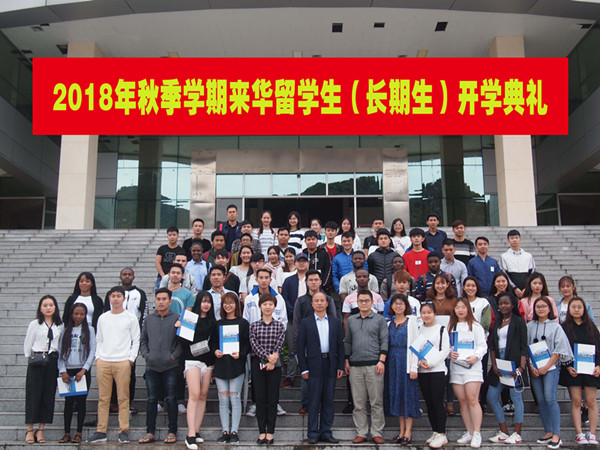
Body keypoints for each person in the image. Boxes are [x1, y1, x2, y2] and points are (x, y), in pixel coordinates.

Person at [87, 286, 140, 444]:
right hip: (104, 361)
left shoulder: (131, 317)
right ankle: (101, 430)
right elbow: (99, 339)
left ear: (124, 298)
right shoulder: (103, 318)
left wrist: (131, 359)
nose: (116, 298)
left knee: (123, 398)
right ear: (109, 298)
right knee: (103, 398)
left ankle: (123, 430)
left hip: (123, 361)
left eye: (118, 296)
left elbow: (136, 339)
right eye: (113, 296)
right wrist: (98, 357)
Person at [297, 291, 345, 444]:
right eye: (316, 301)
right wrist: (303, 368)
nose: (319, 303)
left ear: (327, 303)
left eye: (322, 300)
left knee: (328, 400)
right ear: (312, 304)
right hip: (313, 366)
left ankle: (326, 432)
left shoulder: (335, 322)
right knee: (314, 400)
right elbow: (300, 347)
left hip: (330, 364)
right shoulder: (306, 322)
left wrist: (340, 366)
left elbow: (340, 345)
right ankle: (312, 432)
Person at [527, 296, 573, 449]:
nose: (540, 309)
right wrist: (531, 366)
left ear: (549, 309)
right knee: (540, 400)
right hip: (534, 368)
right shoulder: (529, 326)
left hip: (550, 368)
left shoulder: (556, 327)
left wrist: (546, 367)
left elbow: (559, 350)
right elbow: (526, 348)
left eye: (543, 306)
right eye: (538, 306)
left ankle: (556, 434)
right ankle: (548, 431)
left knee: (550, 398)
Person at [344, 290, 389, 444]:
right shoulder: (351, 320)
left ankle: (377, 432)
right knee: (358, 402)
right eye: (361, 301)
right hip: (355, 366)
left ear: (372, 302)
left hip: (374, 365)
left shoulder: (379, 320)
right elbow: (348, 341)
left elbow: (384, 340)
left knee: (376, 401)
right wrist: (347, 360)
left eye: (366, 301)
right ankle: (361, 432)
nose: (363, 303)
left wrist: (382, 360)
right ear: (357, 303)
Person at [139, 288, 182, 445]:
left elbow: (181, 342)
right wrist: (147, 355)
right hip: (152, 366)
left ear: (170, 301)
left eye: (164, 299)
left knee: (171, 399)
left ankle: (172, 431)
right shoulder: (149, 319)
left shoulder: (177, 318)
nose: (161, 302)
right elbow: (143, 340)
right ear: (155, 301)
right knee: (151, 399)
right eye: (158, 299)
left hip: (170, 366)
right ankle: (150, 431)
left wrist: (173, 356)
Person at [209, 293, 250, 446]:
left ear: (236, 305)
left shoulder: (243, 323)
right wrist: (215, 351)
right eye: (225, 303)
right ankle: (225, 431)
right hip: (221, 365)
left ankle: (234, 431)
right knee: (223, 399)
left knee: (235, 398)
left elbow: (247, 344)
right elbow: (213, 343)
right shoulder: (218, 324)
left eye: (231, 302)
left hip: (236, 365)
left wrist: (241, 354)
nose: (228, 305)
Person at [487, 293, 528, 445]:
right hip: (499, 363)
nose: (503, 306)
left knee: (516, 398)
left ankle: (517, 433)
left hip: (514, 363)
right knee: (491, 397)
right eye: (501, 303)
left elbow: (523, 345)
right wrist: (494, 365)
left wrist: (521, 367)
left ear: (513, 305)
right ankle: (504, 431)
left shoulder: (519, 321)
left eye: (506, 303)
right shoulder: (497, 322)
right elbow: (492, 345)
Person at [560, 297, 600, 445]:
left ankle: (592, 433)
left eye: (579, 307)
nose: (576, 310)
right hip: (573, 369)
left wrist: (598, 366)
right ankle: (579, 433)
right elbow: (562, 349)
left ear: (584, 309)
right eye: (573, 307)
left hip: (590, 369)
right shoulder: (564, 327)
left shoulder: (591, 327)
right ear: (569, 309)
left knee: (591, 401)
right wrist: (567, 366)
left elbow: (598, 347)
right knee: (576, 400)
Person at [178, 290, 216, 448]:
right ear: (198, 302)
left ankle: (197, 430)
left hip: (208, 362)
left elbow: (214, 342)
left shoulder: (213, 321)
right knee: (194, 394)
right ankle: (190, 434)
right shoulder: (190, 318)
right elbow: (182, 340)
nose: (206, 305)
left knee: (203, 395)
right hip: (192, 360)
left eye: (209, 302)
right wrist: (180, 326)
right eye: (203, 301)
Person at [448, 298, 487, 448]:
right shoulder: (451, 326)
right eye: (457, 307)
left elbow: (482, 346)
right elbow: (447, 346)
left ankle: (477, 433)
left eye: (463, 307)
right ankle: (469, 431)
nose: (460, 310)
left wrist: (476, 356)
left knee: (472, 399)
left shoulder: (476, 326)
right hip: (457, 368)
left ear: (468, 309)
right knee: (462, 401)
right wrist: (450, 353)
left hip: (473, 368)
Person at [24, 295, 64, 445]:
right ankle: (29, 429)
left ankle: (40, 429)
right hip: (37, 361)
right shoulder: (35, 324)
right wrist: (30, 358)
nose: (48, 308)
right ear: (40, 308)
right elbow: (28, 343)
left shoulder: (59, 325)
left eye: (51, 305)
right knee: (33, 394)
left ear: (55, 307)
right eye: (45, 305)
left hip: (52, 360)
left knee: (48, 394)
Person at [249, 294, 286, 444]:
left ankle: (270, 431)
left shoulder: (279, 326)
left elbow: (280, 344)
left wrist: (273, 359)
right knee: (260, 398)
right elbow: (254, 344)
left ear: (274, 306)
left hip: (274, 365)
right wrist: (267, 357)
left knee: (272, 398)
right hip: (258, 363)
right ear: (260, 306)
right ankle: (261, 431)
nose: (267, 307)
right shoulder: (254, 326)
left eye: (270, 304)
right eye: (265, 304)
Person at [384, 294, 420, 445]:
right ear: (391, 306)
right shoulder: (388, 323)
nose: (398, 306)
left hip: (406, 361)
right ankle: (401, 431)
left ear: (406, 306)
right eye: (395, 303)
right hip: (392, 362)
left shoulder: (411, 322)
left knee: (408, 396)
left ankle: (408, 432)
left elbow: (416, 345)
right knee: (397, 396)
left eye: (401, 303)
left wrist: (414, 366)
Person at [58, 303, 95, 444]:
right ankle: (66, 432)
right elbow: (60, 352)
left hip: (82, 371)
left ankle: (79, 432)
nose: (78, 316)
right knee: (68, 403)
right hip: (68, 370)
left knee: (81, 402)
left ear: (85, 315)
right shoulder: (65, 330)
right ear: (71, 314)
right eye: (76, 314)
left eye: (81, 314)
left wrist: (84, 369)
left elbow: (92, 350)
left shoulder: (90, 329)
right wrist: (62, 370)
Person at [417, 302, 451, 449]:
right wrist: (420, 363)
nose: (427, 315)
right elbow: (416, 348)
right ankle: (435, 431)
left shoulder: (441, 329)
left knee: (437, 402)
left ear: (435, 314)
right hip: (423, 371)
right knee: (429, 403)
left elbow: (445, 351)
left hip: (437, 370)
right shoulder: (419, 329)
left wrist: (431, 363)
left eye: (429, 312)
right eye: (424, 313)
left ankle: (442, 433)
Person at [280, 253, 309, 388]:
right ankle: (290, 376)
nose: (301, 263)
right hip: (292, 319)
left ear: (308, 263)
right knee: (292, 349)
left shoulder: (312, 279)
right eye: (299, 261)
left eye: (304, 261)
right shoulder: (289, 280)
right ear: (295, 263)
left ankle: (308, 373)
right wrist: (295, 311)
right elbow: (284, 299)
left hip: (309, 318)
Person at [499, 229, 536, 298]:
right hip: (511, 290)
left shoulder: (528, 256)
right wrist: (514, 288)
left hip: (526, 290)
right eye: (512, 238)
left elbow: (532, 273)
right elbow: (504, 274)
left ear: (520, 239)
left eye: (516, 238)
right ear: (508, 240)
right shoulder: (504, 256)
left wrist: (527, 288)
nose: (514, 240)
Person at [303, 230, 333, 294]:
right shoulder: (303, 254)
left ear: (317, 240)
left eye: (313, 239)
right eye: (308, 239)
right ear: (305, 241)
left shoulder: (324, 254)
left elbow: (328, 270)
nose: (311, 241)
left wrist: (323, 285)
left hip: (321, 288)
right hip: (305, 287)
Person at [155, 226, 183, 292]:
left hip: (175, 277)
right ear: (167, 236)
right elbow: (157, 262)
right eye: (170, 235)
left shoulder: (181, 250)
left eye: (174, 235)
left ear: (178, 236)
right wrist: (163, 276)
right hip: (162, 277)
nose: (172, 237)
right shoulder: (162, 249)